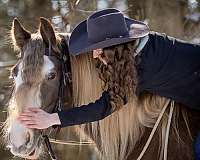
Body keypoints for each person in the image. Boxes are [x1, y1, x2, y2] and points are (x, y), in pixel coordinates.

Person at [17, 9, 200, 156]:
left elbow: (104, 107)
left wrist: (52, 119)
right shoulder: (137, 48)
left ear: (116, 47)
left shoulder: (142, 65)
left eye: (98, 49)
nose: (94, 55)